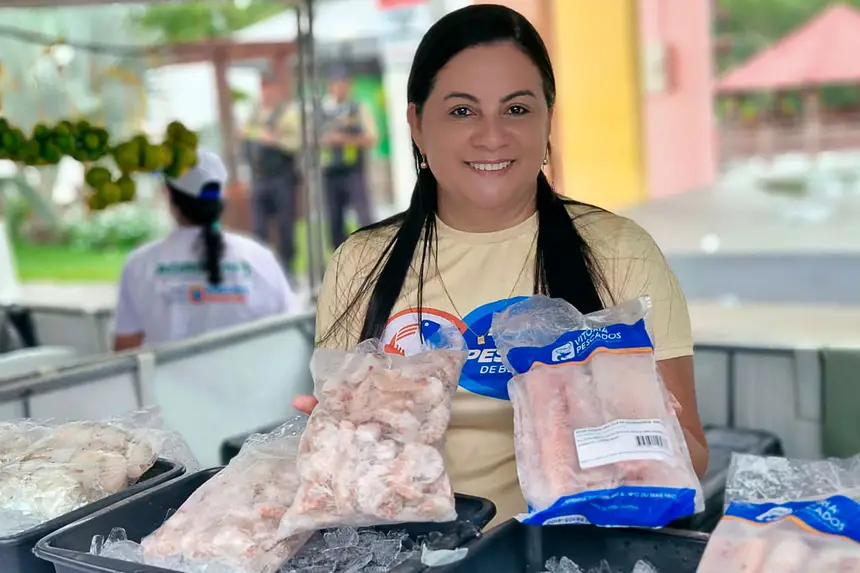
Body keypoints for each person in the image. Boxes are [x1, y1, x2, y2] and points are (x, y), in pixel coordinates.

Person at [293, 4, 708, 526]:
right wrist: (335, 444)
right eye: (462, 111)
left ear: (547, 119)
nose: (492, 136)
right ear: (417, 123)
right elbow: (339, 459)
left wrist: (621, 432)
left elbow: (691, 456)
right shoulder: (362, 262)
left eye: (516, 109)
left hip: (570, 552)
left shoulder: (619, 250)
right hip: (411, 551)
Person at [113, 149, 298, 351]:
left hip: (168, 383)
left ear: (169, 196)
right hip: (253, 381)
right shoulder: (260, 258)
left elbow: (125, 352)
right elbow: (291, 335)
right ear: (220, 199)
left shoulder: (139, 265)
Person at [243, 72, 302, 273]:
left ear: (276, 90)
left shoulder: (287, 113)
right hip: (260, 178)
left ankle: (288, 268)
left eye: (269, 88)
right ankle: (261, 269)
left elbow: (296, 143)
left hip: (282, 177)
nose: (266, 93)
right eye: (263, 88)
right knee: (258, 227)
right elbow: (245, 139)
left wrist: (274, 140)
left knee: (286, 225)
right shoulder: (254, 115)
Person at [319, 67, 378, 250]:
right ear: (330, 86)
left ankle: (373, 254)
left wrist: (344, 140)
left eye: (345, 84)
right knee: (334, 221)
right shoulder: (320, 111)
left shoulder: (358, 108)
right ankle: (340, 260)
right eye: (337, 84)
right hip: (329, 172)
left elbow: (371, 139)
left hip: (353, 170)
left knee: (363, 216)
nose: (341, 88)